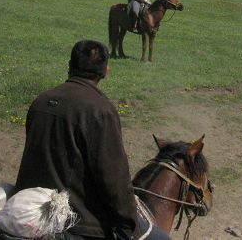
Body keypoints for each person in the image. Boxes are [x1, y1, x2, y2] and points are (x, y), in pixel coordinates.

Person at [13, 40, 168, 239]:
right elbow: (113, 178)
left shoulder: (41, 101)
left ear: (69, 66)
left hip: (27, 207)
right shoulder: (100, 110)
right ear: (105, 71)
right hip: (76, 222)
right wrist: (129, 227)